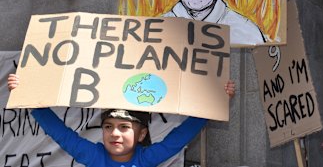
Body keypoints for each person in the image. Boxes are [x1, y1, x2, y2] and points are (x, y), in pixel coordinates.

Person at [7, 73, 235, 167]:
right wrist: (27, 96)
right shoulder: (94, 156)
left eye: (124, 127)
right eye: (108, 127)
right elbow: (62, 134)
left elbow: (179, 137)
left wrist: (214, 101)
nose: (114, 133)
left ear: (142, 134)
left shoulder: (146, 158)